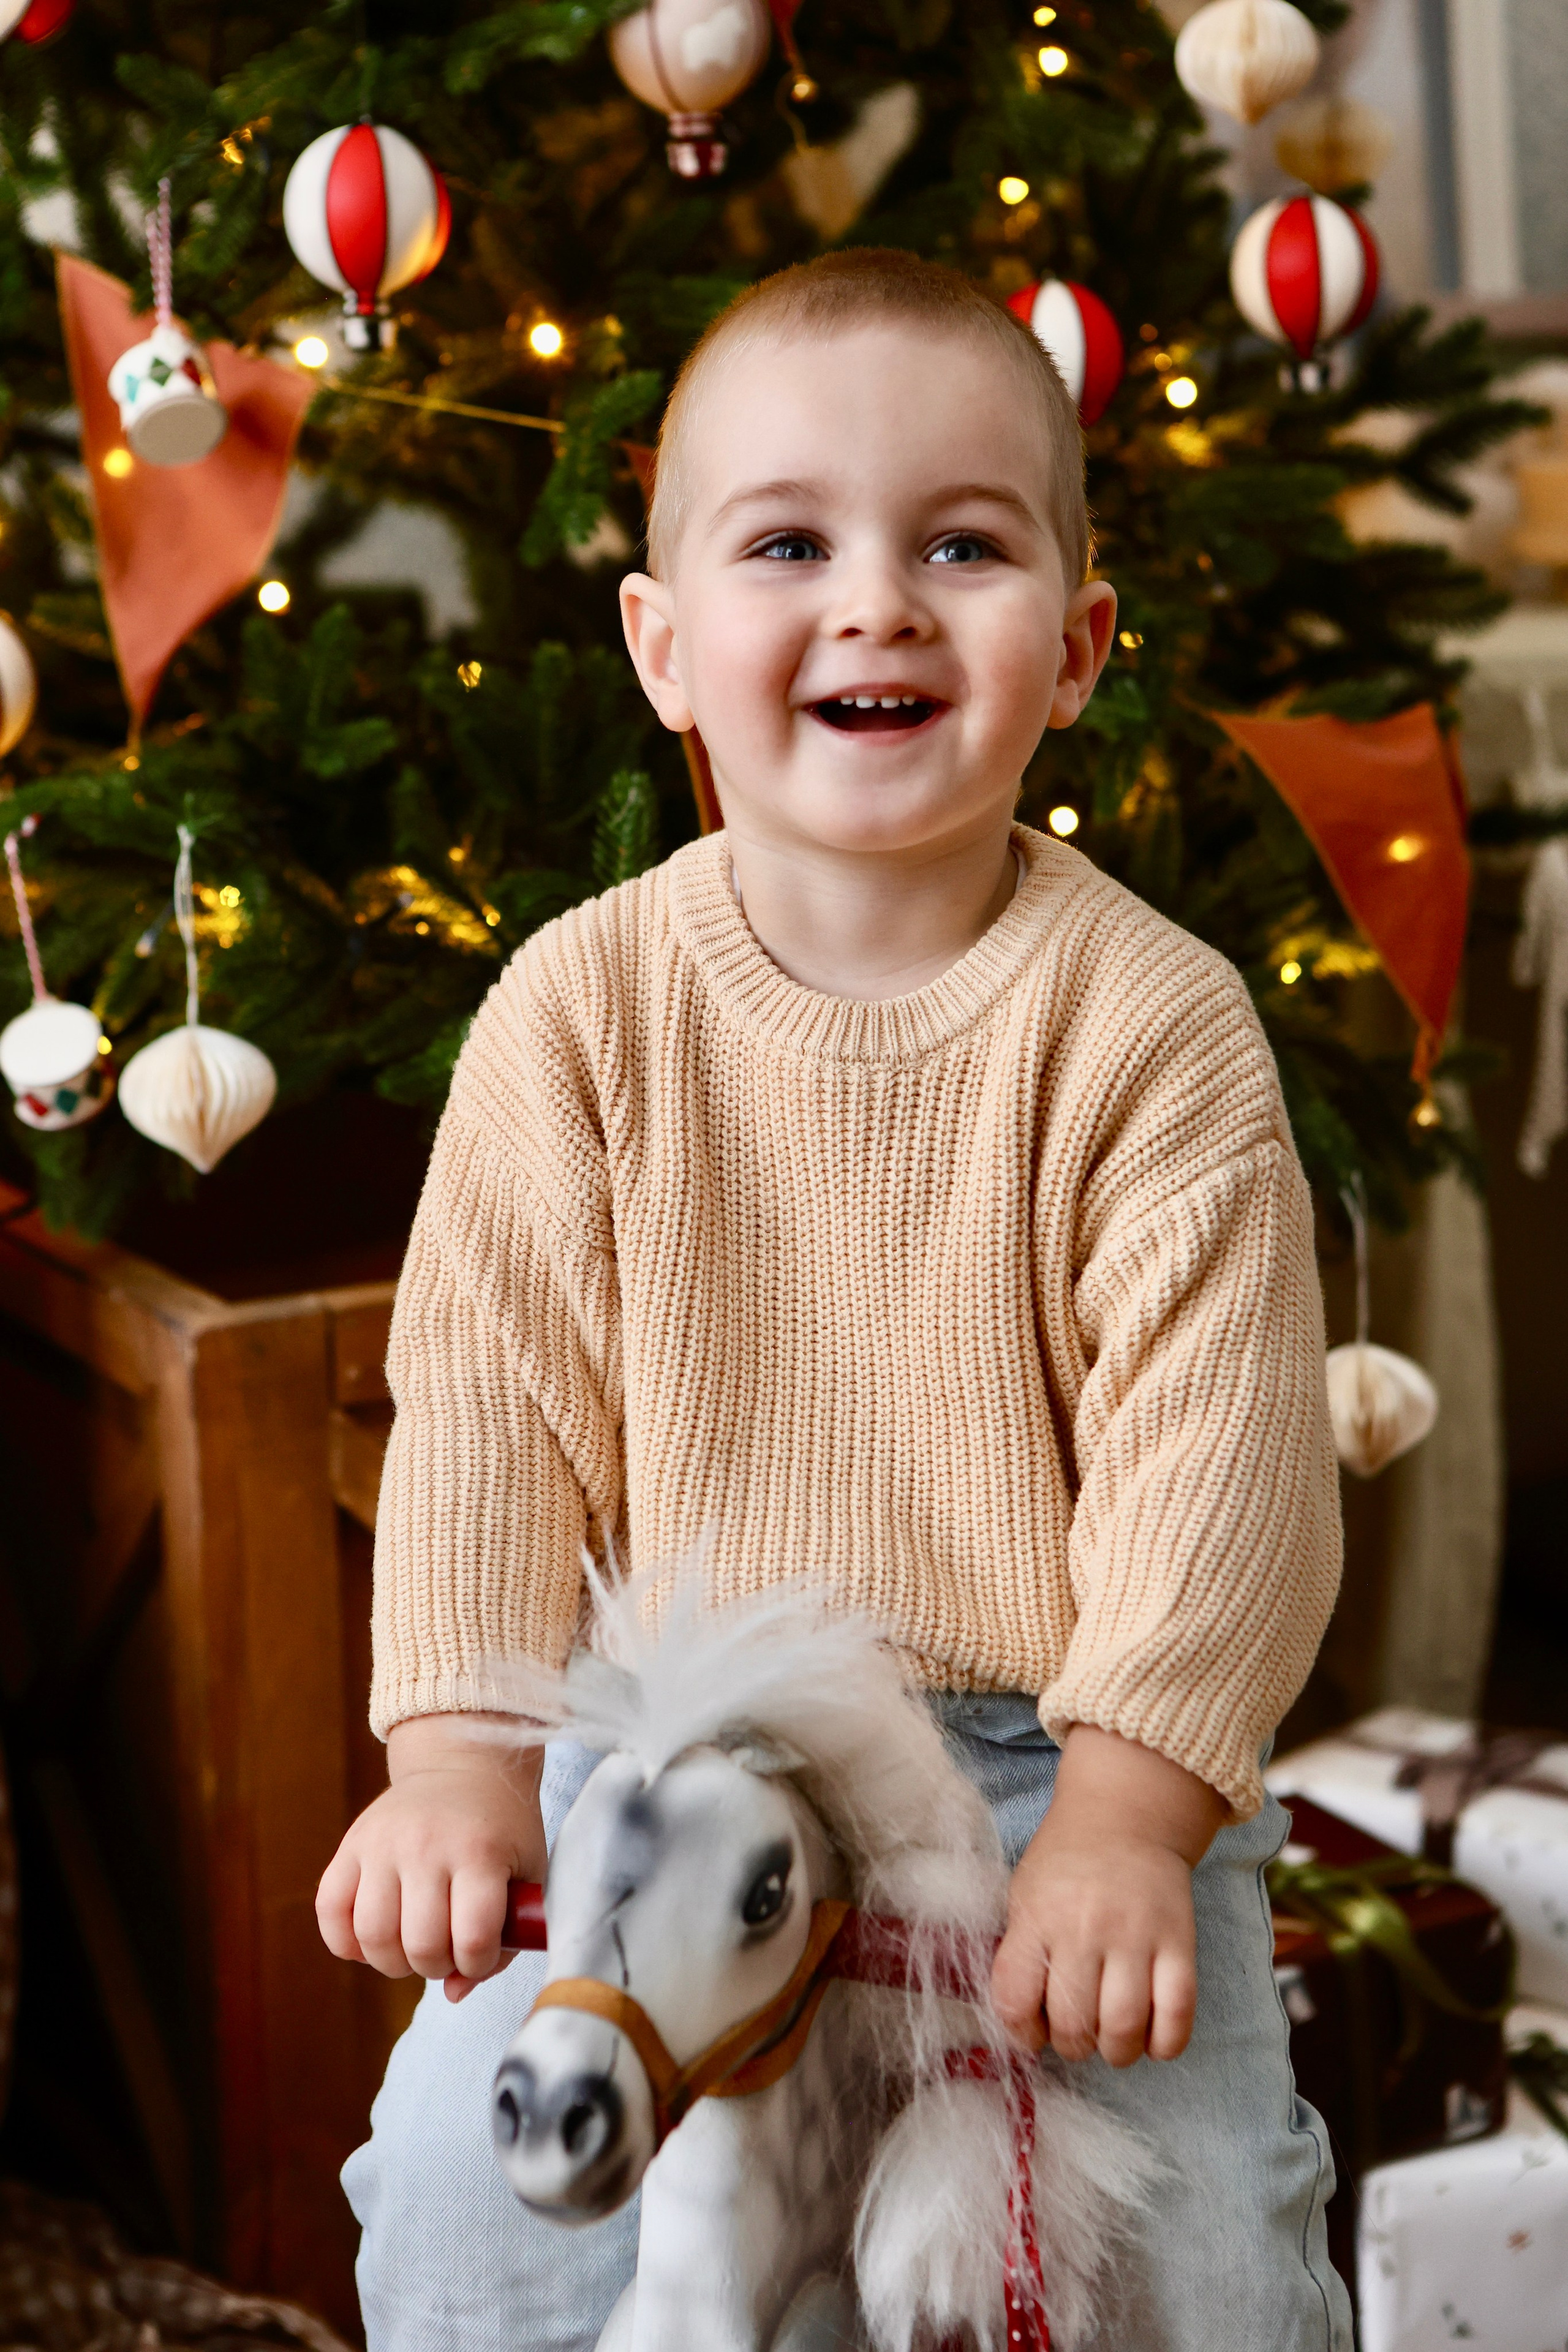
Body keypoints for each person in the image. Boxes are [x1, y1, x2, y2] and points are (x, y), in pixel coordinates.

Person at [318, 247, 1350, 2352]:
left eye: (959, 546)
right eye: (791, 543)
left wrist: (1139, 1815)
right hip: (681, 1752)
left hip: (1059, 1766)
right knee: (461, 2177)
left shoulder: (1153, 1027)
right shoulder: (578, 1016)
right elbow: (489, 1419)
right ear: (666, 645)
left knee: (1217, 2246)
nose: (876, 600)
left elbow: (1219, 1461)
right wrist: (458, 1763)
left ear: (1073, 648)